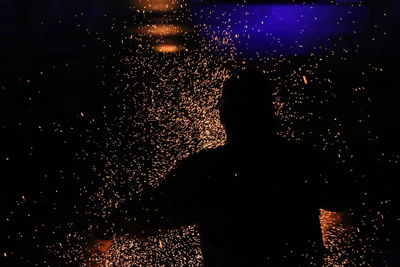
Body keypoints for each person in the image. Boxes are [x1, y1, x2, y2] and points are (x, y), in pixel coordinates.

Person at [88, 69, 358, 267]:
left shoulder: (207, 170)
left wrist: (106, 228)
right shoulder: (302, 161)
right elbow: (347, 196)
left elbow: (154, 210)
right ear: (271, 114)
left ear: (223, 116)